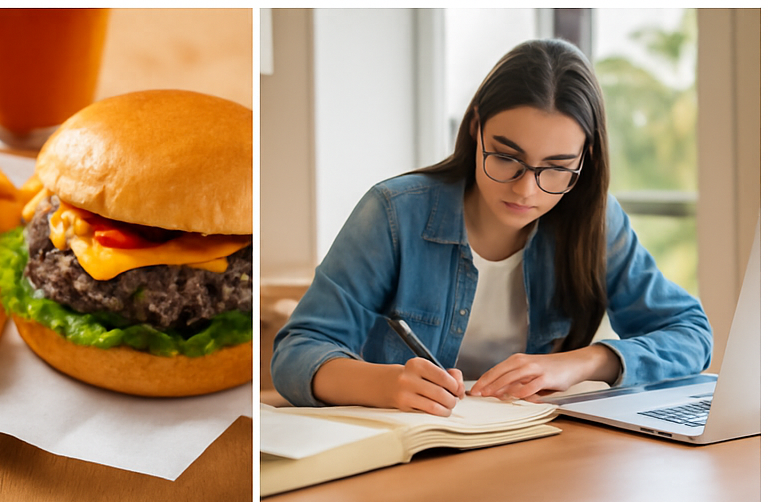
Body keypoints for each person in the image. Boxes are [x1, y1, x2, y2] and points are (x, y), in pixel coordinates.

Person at [270, 38, 712, 414]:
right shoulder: (394, 212)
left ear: (586, 159)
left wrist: (582, 363)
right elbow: (297, 351)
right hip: (408, 455)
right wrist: (385, 386)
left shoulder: (595, 220)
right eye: (506, 157)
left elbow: (690, 335)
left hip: (533, 454)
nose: (526, 190)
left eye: (556, 168)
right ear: (476, 127)